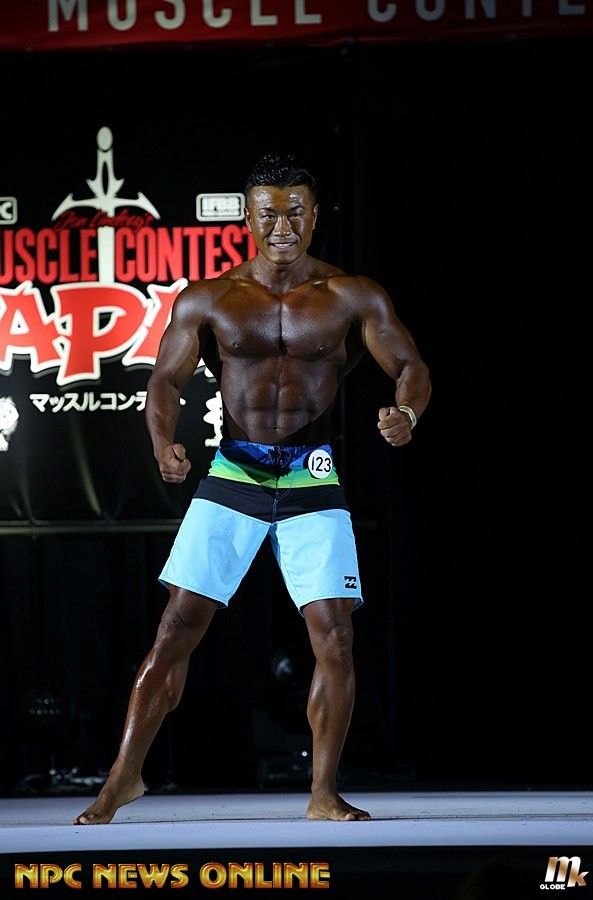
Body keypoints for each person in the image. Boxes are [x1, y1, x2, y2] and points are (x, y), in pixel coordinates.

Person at [73, 152, 431, 825]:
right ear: (247, 217)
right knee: (175, 628)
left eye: (296, 211)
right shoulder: (210, 297)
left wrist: (407, 412)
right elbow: (164, 381)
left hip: (311, 473)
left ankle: (322, 793)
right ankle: (123, 778)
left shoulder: (353, 295)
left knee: (336, 637)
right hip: (234, 471)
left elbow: (411, 365)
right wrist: (162, 441)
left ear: (315, 216)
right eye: (269, 213)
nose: (282, 226)